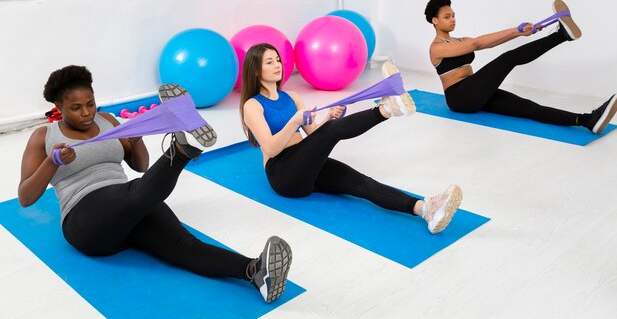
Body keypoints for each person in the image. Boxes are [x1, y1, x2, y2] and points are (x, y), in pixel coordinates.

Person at [19, 65, 292, 304]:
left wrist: (136, 141)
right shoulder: (44, 136)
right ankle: (183, 151)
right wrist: (53, 161)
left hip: (129, 204)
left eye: (90, 103)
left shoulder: (108, 121)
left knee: (184, 244)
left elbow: (141, 166)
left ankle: (256, 272)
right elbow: (25, 197)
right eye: (76, 108)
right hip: (86, 220)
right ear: (58, 109)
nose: (87, 112)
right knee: (136, 193)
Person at [239, 43, 463, 235]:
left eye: (277, 60)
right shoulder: (253, 105)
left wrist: (329, 118)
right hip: (283, 174)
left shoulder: (292, 97)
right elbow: (269, 147)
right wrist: (295, 122)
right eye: (269, 62)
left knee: (362, 183)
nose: (277, 65)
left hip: (307, 165)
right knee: (331, 133)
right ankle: (385, 110)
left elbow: (314, 134)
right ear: (256, 70)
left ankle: (425, 210)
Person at [425, 0, 617, 134]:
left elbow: (487, 42)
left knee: (528, 107)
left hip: (476, 91)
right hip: (460, 98)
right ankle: (561, 35)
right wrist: (514, 31)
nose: (452, 20)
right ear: (435, 21)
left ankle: (587, 120)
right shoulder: (436, 48)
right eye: (446, 17)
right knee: (508, 59)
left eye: (453, 15)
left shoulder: (461, 40)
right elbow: (477, 44)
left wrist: (519, 32)